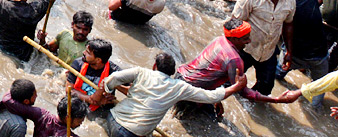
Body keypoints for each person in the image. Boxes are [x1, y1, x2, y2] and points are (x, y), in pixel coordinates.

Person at [95, 53, 246, 137]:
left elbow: (112, 79)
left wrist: (105, 93)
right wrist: (236, 87)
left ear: (155, 66)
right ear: (172, 72)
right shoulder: (179, 87)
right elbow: (212, 97)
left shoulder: (141, 72)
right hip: (133, 133)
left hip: (113, 118)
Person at [228, 0, 294, 95]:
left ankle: (249, 98)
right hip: (246, 49)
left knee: (266, 87)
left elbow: (288, 24)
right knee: (229, 81)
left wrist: (289, 50)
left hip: (268, 51)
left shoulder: (290, 1)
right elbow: (235, 24)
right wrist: (232, 51)